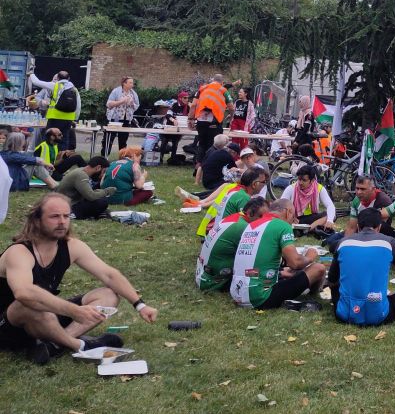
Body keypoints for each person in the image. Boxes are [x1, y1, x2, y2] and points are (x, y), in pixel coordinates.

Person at [0, 193, 159, 364]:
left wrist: (140, 305)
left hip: (45, 317)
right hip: (8, 325)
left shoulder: (71, 246)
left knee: (108, 295)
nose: (62, 222)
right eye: (54, 216)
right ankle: (81, 345)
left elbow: (109, 275)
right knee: (28, 305)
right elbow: (24, 293)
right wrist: (74, 311)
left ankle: (55, 344)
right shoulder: (20, 252)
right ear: (37, 220)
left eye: (66, 216)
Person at [328, 208, 395, 326]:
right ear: (379, 227)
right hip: (378, 313)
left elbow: (332, 281)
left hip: (345, 313)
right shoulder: (389, 242)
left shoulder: (343, 243)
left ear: (358, 226)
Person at [230, 199, 327, 309]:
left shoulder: (251, 225)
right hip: (260, 297)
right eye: (293, 216)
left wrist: (278, 272)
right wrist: (310, 257)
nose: (294, 220)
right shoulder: (282, 226)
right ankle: (313, 293)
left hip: (237, 292)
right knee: (318, 268)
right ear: (287, 212)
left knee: (287, 273)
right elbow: (295, 263)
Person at [196, 197, 268, 292]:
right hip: (213, 280)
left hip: (202, 273)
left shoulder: (236, 217)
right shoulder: (243, 227)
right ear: (250, 213)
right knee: (261, 268)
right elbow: (258, 255)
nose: (265, 221)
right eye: (261, 216)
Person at [28, 70, 81, 152]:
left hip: (54, 118)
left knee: (50, 139)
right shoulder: (74, 89)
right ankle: (60, 161)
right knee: (64, 140)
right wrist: (75, 119)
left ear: (58, 78)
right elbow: (78, 106)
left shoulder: (55, 85)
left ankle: (48, 158)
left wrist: (31, 74)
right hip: (68, 119)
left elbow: (36, 82)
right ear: (69, 78)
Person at [278, 165, 336, 235]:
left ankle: (306, 230)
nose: (300, 182)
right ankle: (310, 229)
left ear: (312, 180)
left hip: (312, 218)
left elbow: (330, 205)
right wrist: (291, 217)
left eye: (304, 180)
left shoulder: (319, 188)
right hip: (296, 220)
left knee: (331, 215)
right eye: (299, 179)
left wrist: (330, 220)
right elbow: (281, 207)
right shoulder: (291, 188)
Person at [190, 74, 230, 166]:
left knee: (201, 145)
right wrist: (231, 116)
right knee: (213, 146)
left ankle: (197, 170)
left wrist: (190, 119)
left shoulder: (202, 89)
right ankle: (210, 167)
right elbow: (231, 107)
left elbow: (193, 105)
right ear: (222, 82)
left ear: (212, 80)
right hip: (214, 122)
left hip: (201, 121)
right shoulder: (223, 90)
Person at [102, 77, 140, 157]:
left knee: (123, 140)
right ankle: (104, 157)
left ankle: (122, 158)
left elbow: (136, 106)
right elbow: (109, 104)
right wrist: (121, 101)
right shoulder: (116, 91)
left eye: (132, 83)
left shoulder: (133, 93)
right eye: (130, 83)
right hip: (114, 119)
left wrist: (132, 103)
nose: (132, 84)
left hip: (127, 120)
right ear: (124, 83)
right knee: (109, 139)